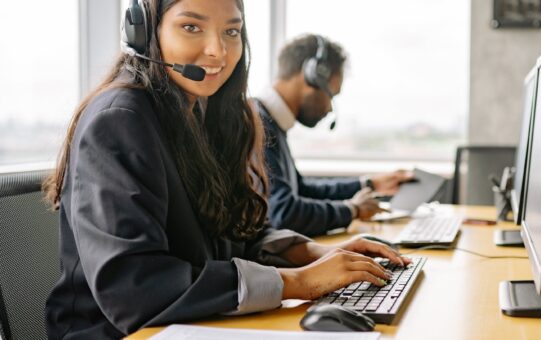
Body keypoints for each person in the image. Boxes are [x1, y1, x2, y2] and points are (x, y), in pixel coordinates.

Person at [43, 1, 409, 338]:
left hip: (193, 324)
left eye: (232, 31)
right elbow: (133, 288)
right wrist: (295, 282)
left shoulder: (202, 112)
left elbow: (236, 232)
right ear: (144, 31)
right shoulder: (120, 120)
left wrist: (313, 254)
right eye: (191, 27)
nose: (218, 50)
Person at [255, 34, 414, 237]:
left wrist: (369, 184)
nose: (330, 108)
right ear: (312, 76)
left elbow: (301, 189)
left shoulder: (272, 122)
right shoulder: (258, 125)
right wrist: (352, 210)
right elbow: (284, 213)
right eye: (331, 94)